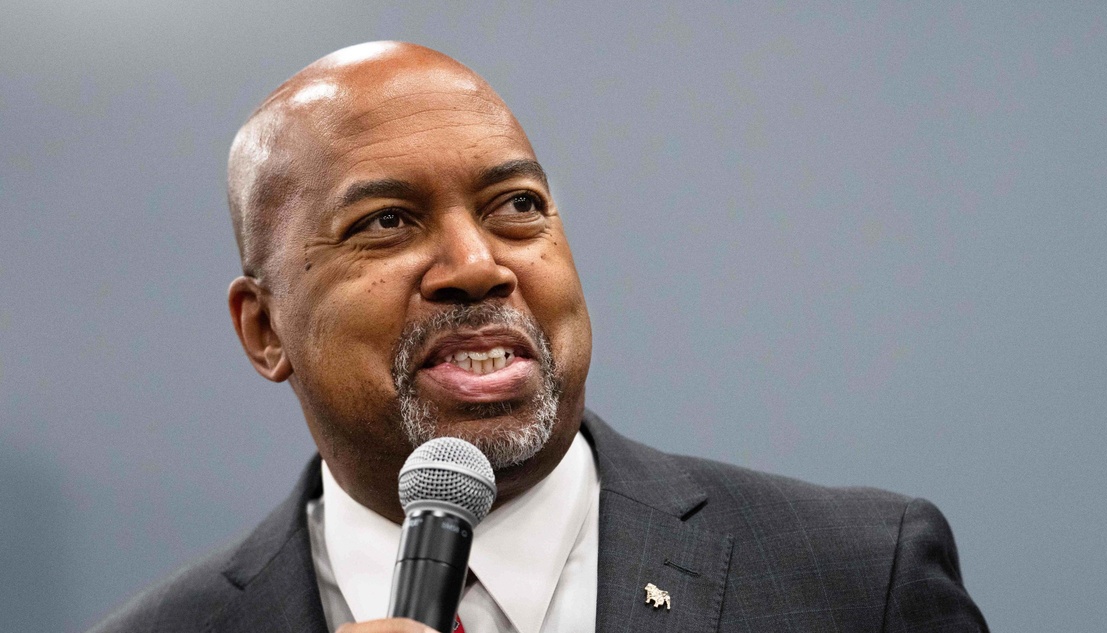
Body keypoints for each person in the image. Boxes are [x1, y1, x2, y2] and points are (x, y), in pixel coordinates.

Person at [89, 41, 988, 633]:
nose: (477, 264)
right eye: (388, 222)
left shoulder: (856, 581)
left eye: (517, 207)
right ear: (264, 327)